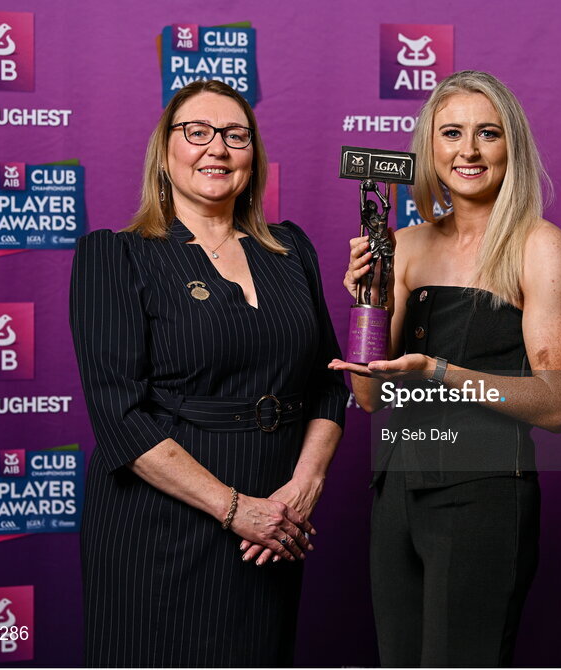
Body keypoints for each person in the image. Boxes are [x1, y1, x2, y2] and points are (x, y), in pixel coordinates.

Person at [69, 80, 348, 667]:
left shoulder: (290, 250)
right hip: (160, 526)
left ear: (254, 154)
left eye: (235, 134)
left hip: (274, 526)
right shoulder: (115, 255)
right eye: (196, 132)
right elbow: (121, 418)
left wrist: (302, 488)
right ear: (164, 152)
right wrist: (232, 508)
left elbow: (327, 382)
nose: (216, 148)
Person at [330, 70, 561, 666]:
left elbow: (556, 404)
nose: (467, 151)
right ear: (430, 149)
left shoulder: (539, 246)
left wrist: (439, 373)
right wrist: (367, 300)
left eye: (487, 134)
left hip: (485, 495)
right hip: (397, 489)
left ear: (510, 146)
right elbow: (368, 397)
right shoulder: (405, 245)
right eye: (451, 133)